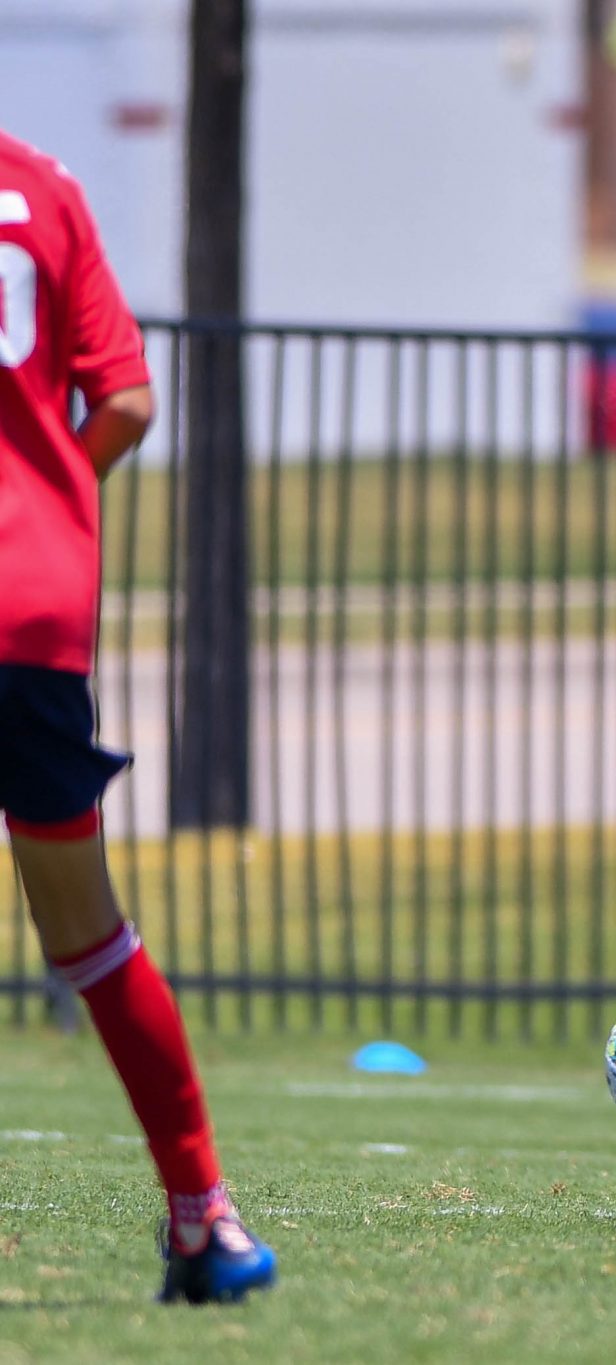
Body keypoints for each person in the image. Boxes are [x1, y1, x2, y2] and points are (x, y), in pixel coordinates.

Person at [0, 129, 277, 1302]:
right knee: (91, 939)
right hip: (31, 605)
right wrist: (51, 493)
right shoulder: (42, 185)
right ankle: (203, 1218)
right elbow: (126, 397)